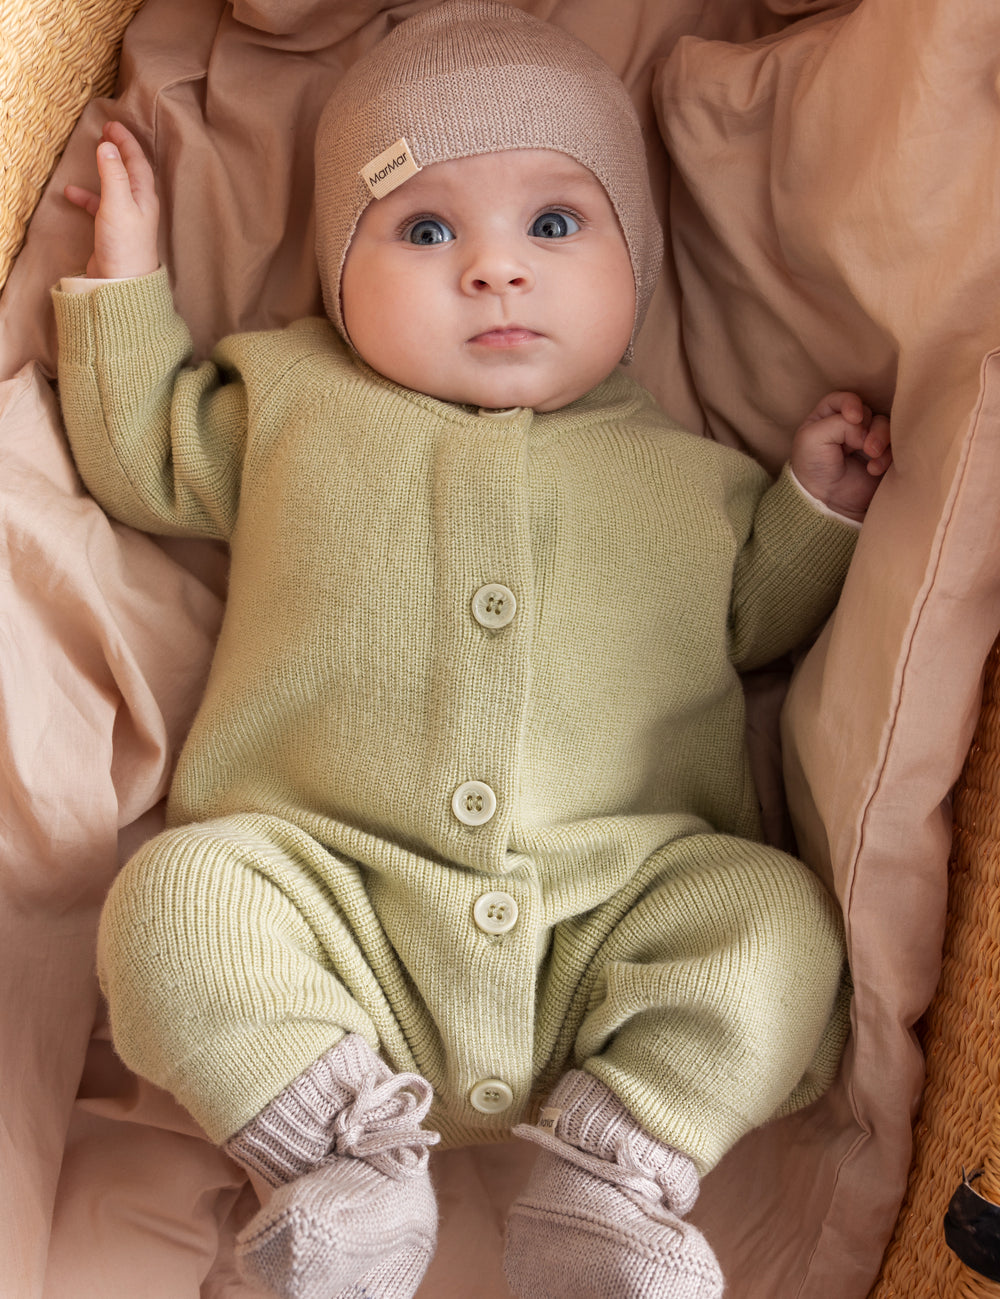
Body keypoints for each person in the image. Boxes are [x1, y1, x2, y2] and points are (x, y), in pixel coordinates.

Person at [54, 3, 891, 1297]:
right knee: (173, 901)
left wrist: (819, 510)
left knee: (777, 926)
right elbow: (144, 453)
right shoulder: (290, 404)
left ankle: (610, 1184)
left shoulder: (694, 479)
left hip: (607, 918)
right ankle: (338, 1169)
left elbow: (753, 620)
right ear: (338, 278)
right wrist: (123, 278)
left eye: (554, 224)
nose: (496, 268)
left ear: (636, 263)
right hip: (332, 905)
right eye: (426, 231)